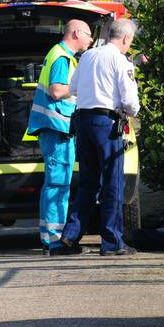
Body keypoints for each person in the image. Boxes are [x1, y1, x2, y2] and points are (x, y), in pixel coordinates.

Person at [58, 18, 141, 256]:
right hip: (106, 123)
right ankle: (112, 241)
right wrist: (132, 112)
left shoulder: (88, 56)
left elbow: (72, 88)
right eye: (130, 41)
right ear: (125, 38)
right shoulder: (120, 60)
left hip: (83, 121)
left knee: (88, 182)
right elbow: (130, 101)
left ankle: (70, 237)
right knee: (112, 181)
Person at [27, 19, 94, 255]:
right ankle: (55, 241)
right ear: (76, 33)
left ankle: (52, 239)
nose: (91, 39)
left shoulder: (59, 54)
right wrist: (79, 86)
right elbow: (57, 91)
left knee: (59, 184)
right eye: (88, 34)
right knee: (57, 184)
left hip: (57, 127)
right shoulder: (62, 57)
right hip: (56, 127)